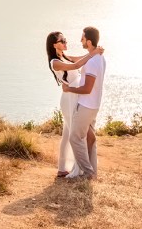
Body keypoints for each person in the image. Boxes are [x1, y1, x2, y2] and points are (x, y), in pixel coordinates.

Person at [45, 31, 104, 179]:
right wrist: (94, 53)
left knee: (67, 134)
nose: (65, 42)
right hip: (69, 98)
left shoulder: (64, 57)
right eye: (62, 40)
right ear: (54, 45)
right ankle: (80, 169)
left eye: (65, 39)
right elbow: (77, 65)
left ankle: (63, 167)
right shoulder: (55, 62)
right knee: (75, 134)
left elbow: (80, 59)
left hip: (75, 96)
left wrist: (94, 53)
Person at [62, 26, 105, 180]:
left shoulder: (93, 62)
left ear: (88, 41)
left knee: (74, 137)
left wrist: (69, 89)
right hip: (93, 106)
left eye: (82, 38)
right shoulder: (96, 57)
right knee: (90, 137)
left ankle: (88, 172)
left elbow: (87, 89)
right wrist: (63, 55)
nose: (80, 40)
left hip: (87, 106)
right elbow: (78, 61)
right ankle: (90, 169)